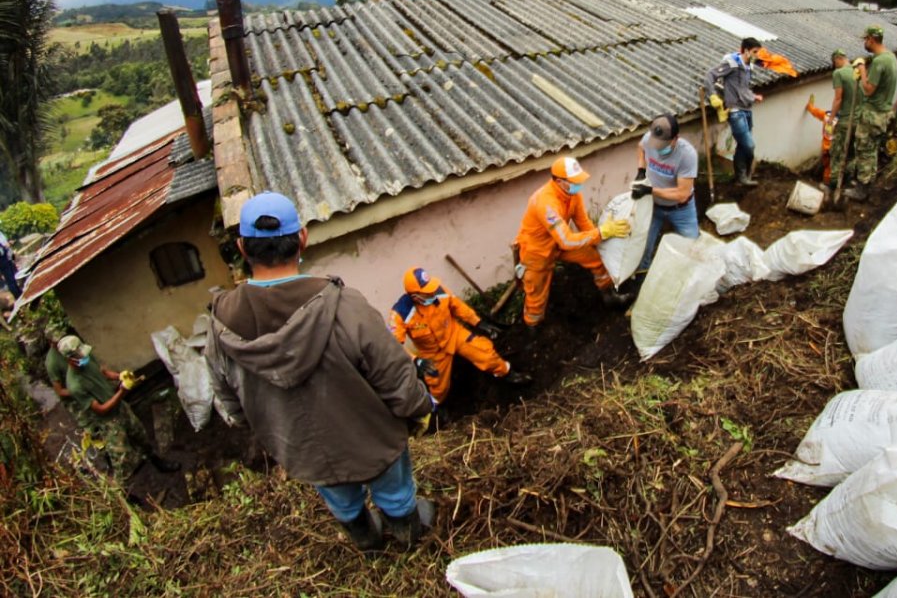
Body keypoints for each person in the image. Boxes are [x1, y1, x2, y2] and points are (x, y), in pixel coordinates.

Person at [207, 191, 435, 553]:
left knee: (341, 500)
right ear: (302, 238)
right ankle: (407, 538)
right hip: (372, 437)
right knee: (395, 492)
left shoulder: (220, 326)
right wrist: (419, 407)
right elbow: (396, 378)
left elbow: (230, 401)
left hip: (301, 445)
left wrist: (263, 426)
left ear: (242, 248)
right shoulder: (343, 306)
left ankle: (369, 544)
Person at [514, 156, 631, 327]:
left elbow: (584, 224)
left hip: (560, 243)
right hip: (537, 252)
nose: (579, 184)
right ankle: (534, 327)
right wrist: (601, 232)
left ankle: (609, 297)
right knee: (536, 295)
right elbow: (567, 241)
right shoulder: (545, 202)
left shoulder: (573, 195)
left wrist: (601, 241)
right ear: (559, 182)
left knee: (596, 258)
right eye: (574, 181)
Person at [389, 267, 531, 403]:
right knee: (437, 385)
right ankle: (436, 406)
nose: (432, 293)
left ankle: (507, 373)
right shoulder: (400, 314)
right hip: (433, 351)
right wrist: (415, 360)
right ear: (415, 296)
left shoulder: (439, 291)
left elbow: (458, 306)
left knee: (485, 353)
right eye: (427, 292)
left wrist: (478, 322)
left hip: (454, 334)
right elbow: (394, 344)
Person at [58, 334, 178, 481]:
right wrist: (122, 391)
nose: (84, 357)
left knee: (140, 436)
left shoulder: (86, 359)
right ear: (70, 359)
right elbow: (101, 409)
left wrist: (119, 376)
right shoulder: (75, 385)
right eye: (79, 356)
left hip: (121, 408)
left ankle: (158, 462)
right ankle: (125, 488)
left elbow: (102, 372)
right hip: (109, 422)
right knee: (121, 459)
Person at [631, 113, 699, 273]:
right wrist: (641, 170)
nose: (658, 148)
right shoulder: (649, 138)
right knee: (643, 247)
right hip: (653, 206)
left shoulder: (687, 155)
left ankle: (686, 277)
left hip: (681, 210)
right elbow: (640, 147)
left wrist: (649, 190)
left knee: (692, 249)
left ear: (676, 139)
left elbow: (682, 194)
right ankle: (642, 275)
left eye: (663, 145)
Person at [844, 25, 897, 200]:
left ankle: (862, 189)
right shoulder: (891, 58)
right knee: (872, 150)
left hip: (872, 114)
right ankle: (867, 183)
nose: (864, 43)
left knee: (864, 150)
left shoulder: (879, 62)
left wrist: (862, 70)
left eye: (865, 40)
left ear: (872, 40)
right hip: (883, 113)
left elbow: (868, 90)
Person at [705, 37, 764, 187]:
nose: (757, 55)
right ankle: (744, 177)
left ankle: (742, 178)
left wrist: (753, 96)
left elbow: (742, 89)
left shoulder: (749, 67)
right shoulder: (732, 64)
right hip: (735, 111)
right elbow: (710, 75)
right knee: (749, 146)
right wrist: (712, 95)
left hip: (747, 109)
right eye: (755, 52)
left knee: (742, 145)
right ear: (746, 51)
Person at [825, 48, 858, 191]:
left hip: (846, 120)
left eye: (834, 63)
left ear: (838, 59)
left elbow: (838, 98)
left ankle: (833, 185)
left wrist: (831, 118)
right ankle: (848, 182)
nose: (835, 66)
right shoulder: (857, 71)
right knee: (851, 152)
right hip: (859, 120)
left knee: (837, 151)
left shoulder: (839, 73)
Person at [44, 325, 71, 400]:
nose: (61, 341)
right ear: (50, 341)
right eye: (57, 340)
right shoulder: (52, 362)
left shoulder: (70, 344)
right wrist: (78, 391)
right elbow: (59, 391)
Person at [0, 230, 22, 299]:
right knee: (11, 280)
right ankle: (18, 296)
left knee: (11, 278)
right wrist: (7, 245)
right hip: (3, 259)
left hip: (5, 258)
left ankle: (19, 294)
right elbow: (4, 248)